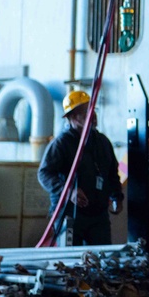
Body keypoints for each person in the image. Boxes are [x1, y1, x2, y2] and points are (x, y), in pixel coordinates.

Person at [38, 91, 124, 245]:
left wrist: (116, 196)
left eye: (93, 110)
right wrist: (68, 191)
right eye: (86, 112)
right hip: (69, 214)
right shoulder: (61, 143)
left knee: (100, 260)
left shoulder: (103, 142)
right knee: (71, 263)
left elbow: (112, 173)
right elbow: (44, 174)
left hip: (98, 216)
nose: (93, 115)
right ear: (72, 117)